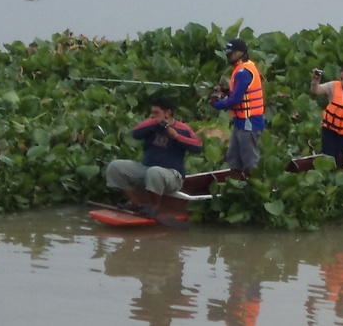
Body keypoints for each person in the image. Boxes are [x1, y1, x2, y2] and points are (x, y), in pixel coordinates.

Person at [106, 97, 202, 215]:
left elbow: (198, 147)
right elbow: (135, 133)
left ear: (168, 113)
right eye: (152, 113)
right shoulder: (150, 125)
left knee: (154, 172)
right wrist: (155, 122)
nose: (152, 116)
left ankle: (154, 207)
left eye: (156, 113)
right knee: (115, 167)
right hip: (146, 170)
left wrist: (177, 138)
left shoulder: (183, 128)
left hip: (172, 175)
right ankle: (136, 203)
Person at [210, 39, 265, 177]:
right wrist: (225, 91)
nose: (228, 56)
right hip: (240, 121)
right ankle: (236, 184)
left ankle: (253, 188)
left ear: (240, 54)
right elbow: (237, 92)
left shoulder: (242, 72)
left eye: (231, 53)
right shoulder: (244, 68)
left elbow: (235, 99)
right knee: (233, 156)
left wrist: (216, 104)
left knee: (250, 159)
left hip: (249, 121)